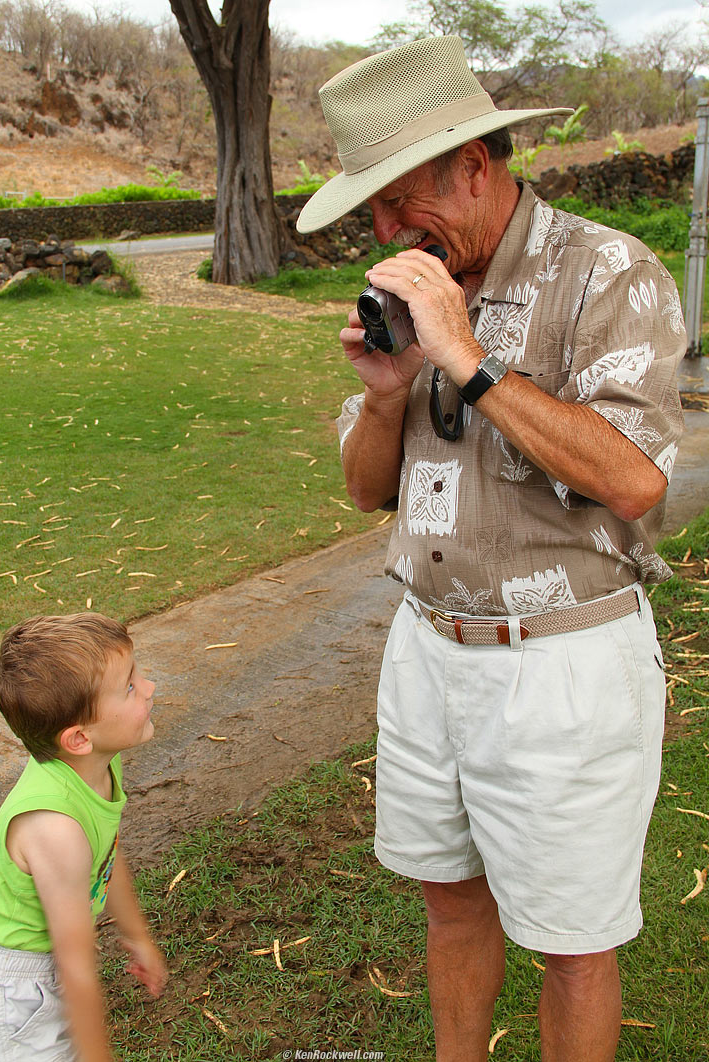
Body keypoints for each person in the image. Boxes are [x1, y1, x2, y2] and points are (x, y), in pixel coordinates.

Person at [296, 35, 685, 1062]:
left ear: (475, 166)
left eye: (398, 203)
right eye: (370, 212)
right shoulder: (415, 290)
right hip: (427, 650)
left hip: (560, 664)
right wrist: (386, 398)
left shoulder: (607, 271)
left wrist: (465, 356)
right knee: (451, 910)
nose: (383, 234)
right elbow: (366, 489)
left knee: (572, 944)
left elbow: (637, 480)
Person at [0, 613, 168, 1061]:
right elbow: (77, 966)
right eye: (129, 685)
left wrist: (137, 934)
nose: (149, 687)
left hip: (36, 965)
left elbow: (106, 856)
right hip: (10, 987)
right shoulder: (56, 829)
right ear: (79, 738)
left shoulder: (97, 765)